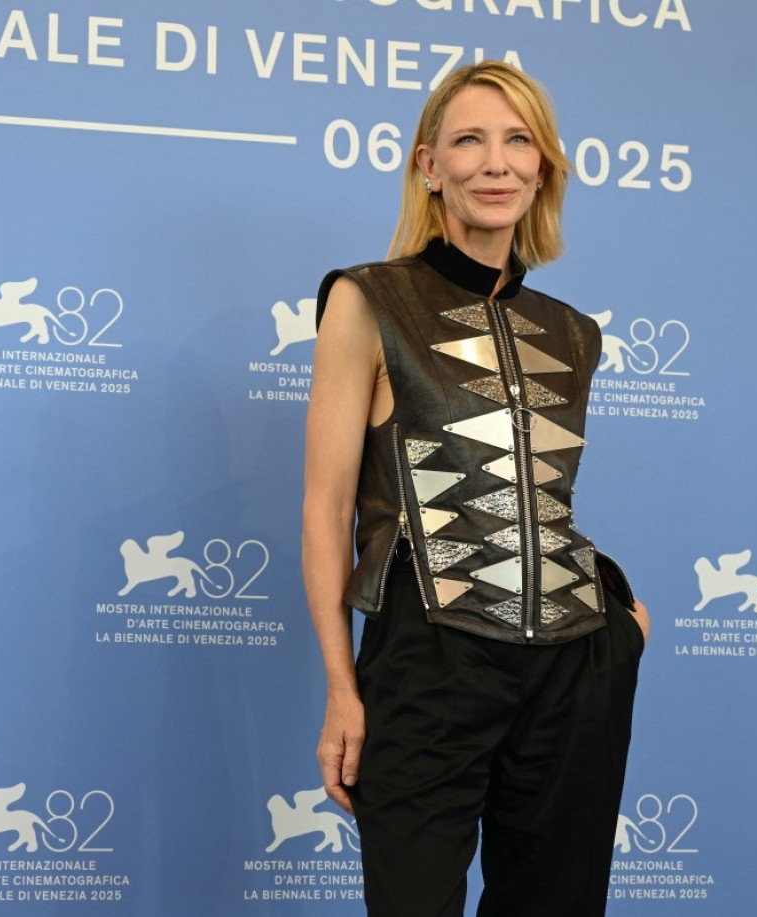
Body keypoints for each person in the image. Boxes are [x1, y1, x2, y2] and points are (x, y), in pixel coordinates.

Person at [302, 61, 649, 916]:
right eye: (468, 140)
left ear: (542, 166)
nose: (495, 163)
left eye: (517, 140)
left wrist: (621, 632)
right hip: (426, 658)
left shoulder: (573, 332)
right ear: (430, 166)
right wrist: (342, 687)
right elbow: (326, 508)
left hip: (574, 663)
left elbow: (545, 500)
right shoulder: (366, 300)